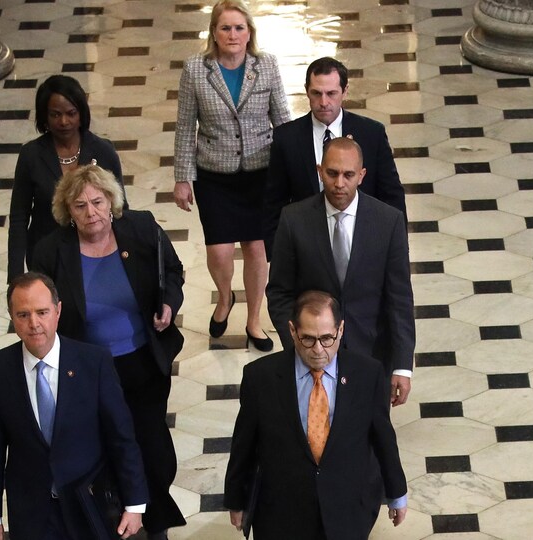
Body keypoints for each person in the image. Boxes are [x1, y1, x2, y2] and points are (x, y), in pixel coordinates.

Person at [29, 165, 187, 539]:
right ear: (68, 210)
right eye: (80, 206)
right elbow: (39, 304)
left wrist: (168, 303)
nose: (91, 213)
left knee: (151, 446)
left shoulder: (141, 228)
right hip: (88, 369)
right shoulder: (51, 251)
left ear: (112, 201)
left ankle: (155, 520)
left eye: (98, 202)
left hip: (142, 362)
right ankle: (112, 518)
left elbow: (174, 271)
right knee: (104, 445)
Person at [0, 272, 148, 540]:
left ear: (58, 311)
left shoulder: (93, 362)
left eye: (42, 312)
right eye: (23, 315)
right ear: (12, 317)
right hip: (32, 513)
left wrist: (135, 504)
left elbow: (121, 437)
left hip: (89, 506)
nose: (34, 323)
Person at [224, 290, 408, 539]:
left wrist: (397, 493)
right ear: (292, 331)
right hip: (282, 512)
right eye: (308, 339)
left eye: (327, 338)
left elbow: (383, 437)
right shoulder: (260, 377)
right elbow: (244, 445)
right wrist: (236, 499)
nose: (318, 349)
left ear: (340, 330)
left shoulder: (368, 374)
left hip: (347, 507)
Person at [172, 0, 290, 351]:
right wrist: (182, 177)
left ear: (250, 32)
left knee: (257, 250)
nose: (233, 34)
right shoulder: (196, 69)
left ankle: (255, 320)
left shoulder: (266, 65)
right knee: (220, 250)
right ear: (214, 33)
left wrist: (297, 167)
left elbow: (282, 118)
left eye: (240, 27)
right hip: (215, 173)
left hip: (261, 172)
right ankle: (225, 298)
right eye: (226, 27)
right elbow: (184, 126)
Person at [267, 137, 415, 406]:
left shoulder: (388, 221)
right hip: (311, 357)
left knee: (369, 440)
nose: (339, 184)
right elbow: (279, 292)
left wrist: (402, 366)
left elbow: (400, 299)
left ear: (362, 175)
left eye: (348, 175)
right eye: (332, 173)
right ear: (319, 171)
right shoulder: (293, 219)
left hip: (372, 355)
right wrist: (300, 345)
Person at [264, 57, 405, 258]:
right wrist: (278, 257)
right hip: (307, 247)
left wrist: (397, 251)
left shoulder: (371, 134)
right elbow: (274, 202)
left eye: (331, 93)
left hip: (363, 242)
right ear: (306, 91)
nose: (324, 102)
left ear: (345, 91)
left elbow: (391, 196)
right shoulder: (287, 138)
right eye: (316, 93)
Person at [8, 74, 127, 282]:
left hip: (97, 253)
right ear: (45, 116)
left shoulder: (103, 150)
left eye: (71, 113)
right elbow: (19, 217)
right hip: (47, 258)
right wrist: (16, 276)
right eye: (55, 115)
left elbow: (120, 209)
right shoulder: (31, 155)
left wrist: (128, 257)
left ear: (81, 113)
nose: (64, 121)